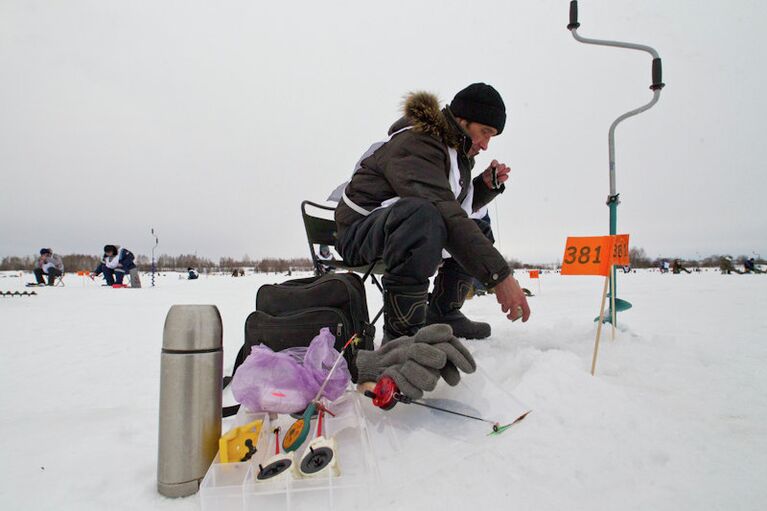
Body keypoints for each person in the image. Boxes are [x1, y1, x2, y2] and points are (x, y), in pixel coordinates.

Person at [334, 84, 530, 341]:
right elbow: (440, 207)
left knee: (473, 224)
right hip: (358, 233)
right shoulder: (417, 142)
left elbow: (449, 205)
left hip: (393, 228)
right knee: (422, 216)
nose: (485, 145)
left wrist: (483, 187)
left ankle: (443, 312)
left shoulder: (452, 153)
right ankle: (401, 336)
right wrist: (500, 276)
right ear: (462, 120)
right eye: (484, 132)